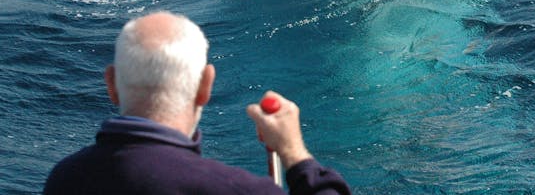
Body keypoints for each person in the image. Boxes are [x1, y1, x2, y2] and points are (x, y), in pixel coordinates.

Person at [43, 11, 352, 195]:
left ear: (111, 84)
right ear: (206, 86)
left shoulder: (64, 180)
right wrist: (295, 155)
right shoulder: (235, 190)